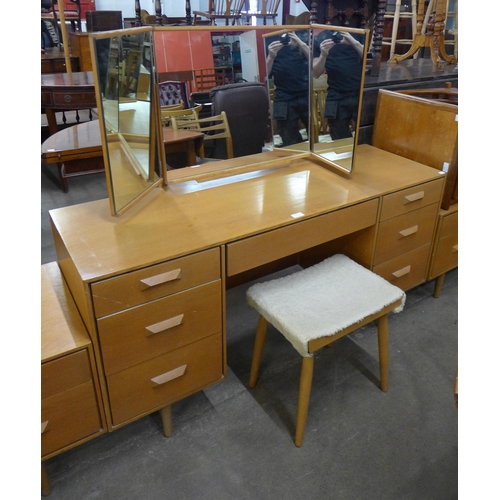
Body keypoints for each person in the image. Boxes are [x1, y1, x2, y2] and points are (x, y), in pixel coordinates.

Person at [312, 30, 365, 140]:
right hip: (336, 96)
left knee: (367, 135)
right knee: (338, 137)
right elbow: (316, 73)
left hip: (360, 93)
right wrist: (323, 55)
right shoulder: (319, 39)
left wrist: (353, 43)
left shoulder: (358, 33)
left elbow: (370, 60)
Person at [265, 30, 310, 147]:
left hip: (306, 94)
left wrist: (301, 44)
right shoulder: (270, 38)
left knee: (314, 139)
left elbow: (314, 63)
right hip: (283, 97)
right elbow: (265, 75)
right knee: (290, 141)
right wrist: (271, 56)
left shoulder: (302, 35)